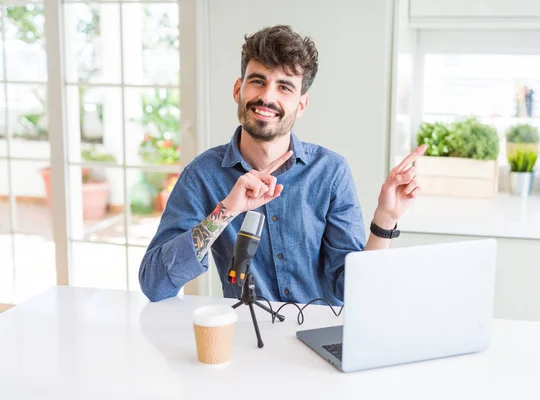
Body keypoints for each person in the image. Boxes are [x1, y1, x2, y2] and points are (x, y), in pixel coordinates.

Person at [139, 25, 426, 305]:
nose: (267, 96)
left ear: (301, 105)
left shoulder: (331, 172)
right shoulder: (202, 175)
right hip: (247, 338)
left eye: (284, 87)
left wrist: (385, 219)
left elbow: (353, 290)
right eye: (258, 81)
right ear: (238, 89)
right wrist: (225, 211)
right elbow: (154, 285)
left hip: (317, 338)